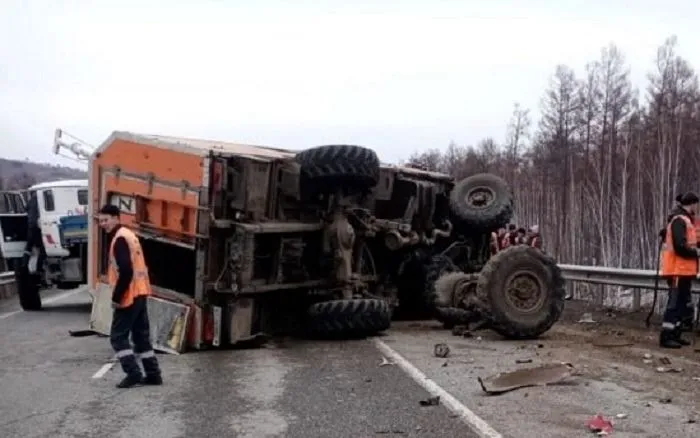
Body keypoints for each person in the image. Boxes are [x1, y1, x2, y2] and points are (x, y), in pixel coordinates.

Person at [98, 204, 163, 388]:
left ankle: (133, 373)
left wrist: (116, 298)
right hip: (141, 292)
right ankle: (153, 374)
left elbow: (126, 270)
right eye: (100, 221)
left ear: (116, 218)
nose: (103, 224)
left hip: (129, 295)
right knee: (141, 337)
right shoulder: (130, 235)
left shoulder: (119, 239)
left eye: (106, 220)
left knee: (118, 337)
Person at [658, 192, 700, 349]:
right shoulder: (679, 220)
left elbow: (691, 242)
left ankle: (675, 333)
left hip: (685, 271)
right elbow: (680, 247)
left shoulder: (686, 221)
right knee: (674, 304)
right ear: (692, 204)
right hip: (677, 270)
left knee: (681, 304)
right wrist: (696, 253)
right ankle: (667, 336)